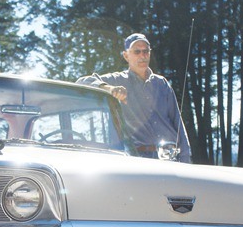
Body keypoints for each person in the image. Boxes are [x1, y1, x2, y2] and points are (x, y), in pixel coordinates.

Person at [76, 33, 191, 163]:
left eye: (146, 51)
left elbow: (178, 122)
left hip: (171, 157)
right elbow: (82, 81)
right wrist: (110, 89)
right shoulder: (117, 79)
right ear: (126, 55)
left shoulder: (162, 83)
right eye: (137, 51)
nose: (142, 56)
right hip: (139, 159)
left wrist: (186, 158)